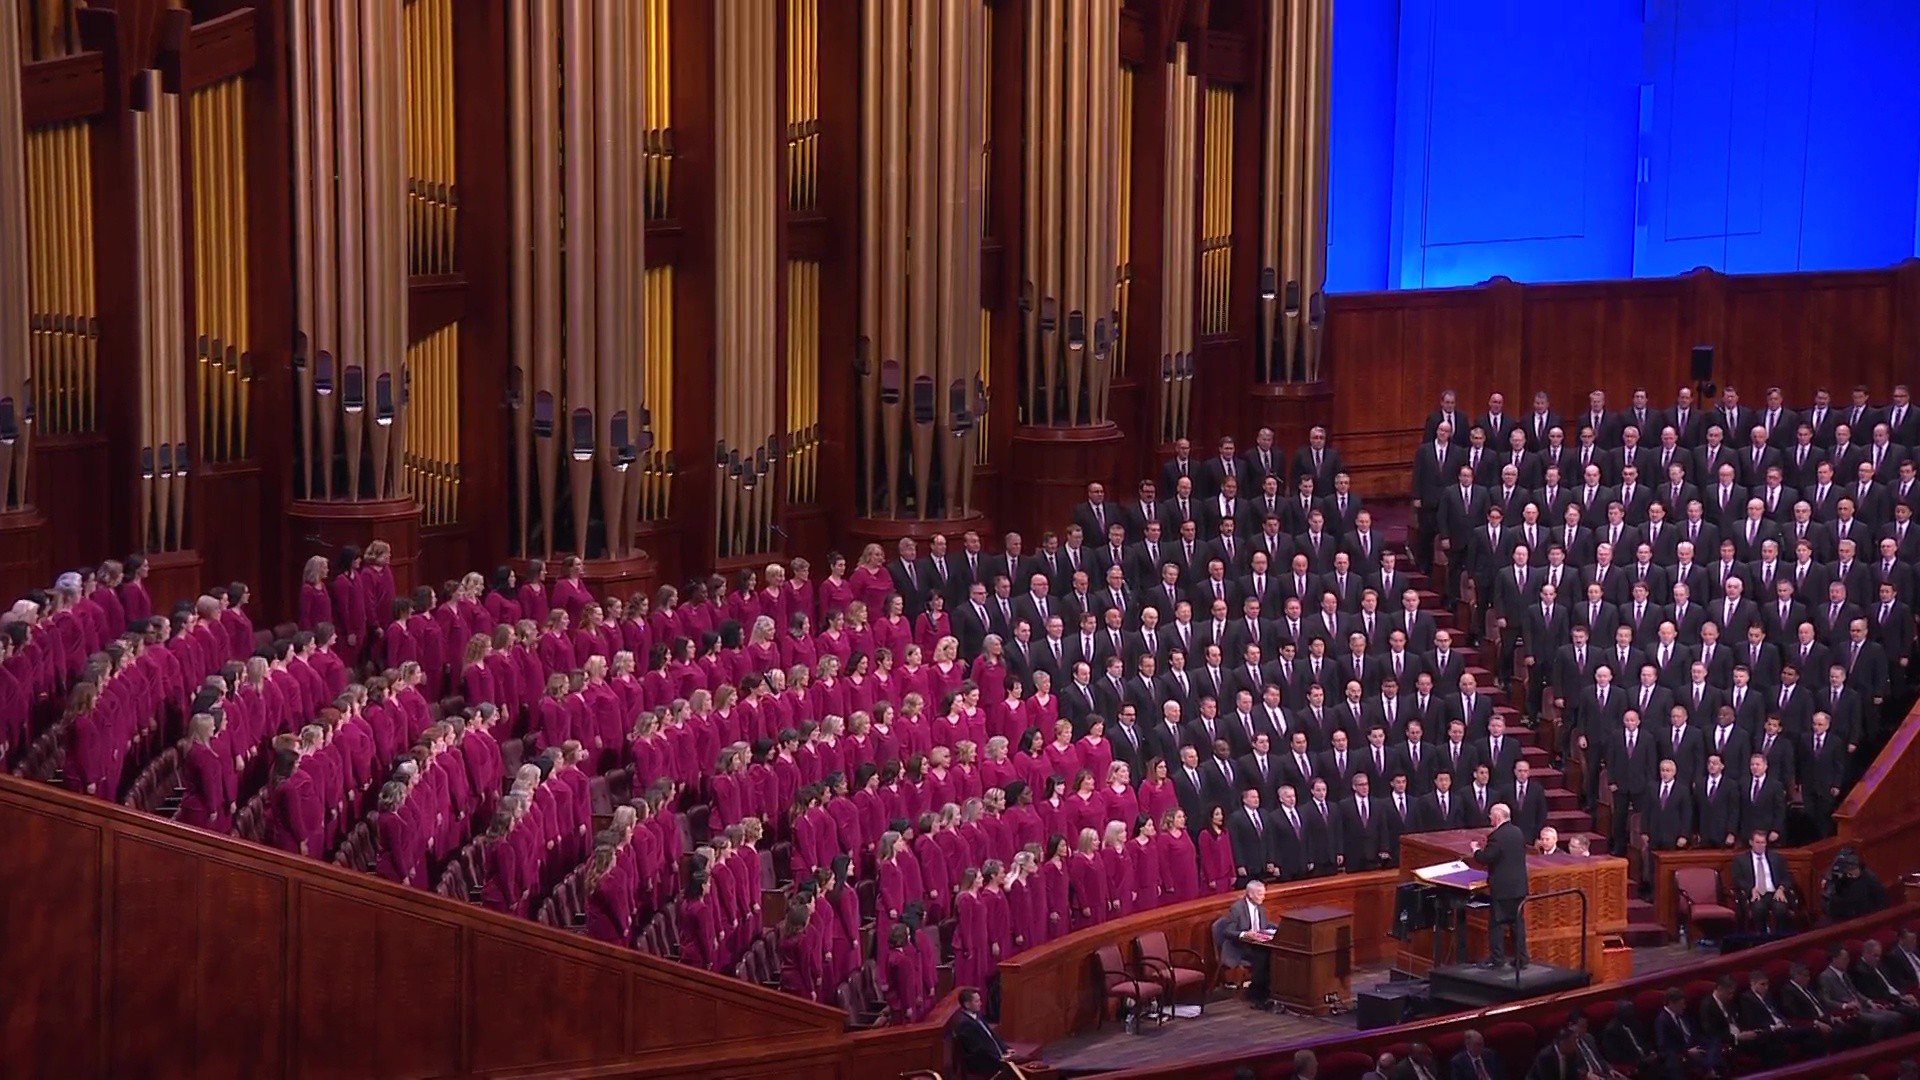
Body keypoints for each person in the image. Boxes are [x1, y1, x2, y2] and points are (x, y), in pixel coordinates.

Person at [1469, 803, 1528, 968]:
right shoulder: (1518, 832)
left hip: (1502, 889)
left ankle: (1497, 959)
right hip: (1519, 887)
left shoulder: (1497, 836)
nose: (1489, 818)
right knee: (1517, 925)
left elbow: (1486, 858)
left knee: (1496, 924)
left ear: (1497, 817)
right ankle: (1522, 958)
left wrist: (1476, 850)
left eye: (1491, 815)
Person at [950, 986, 1038, 1078]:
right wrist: (1000, 1057)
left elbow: (992, 1036)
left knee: (1030, 1063)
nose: (980, 1003)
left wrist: (1005, 1049)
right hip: (985, 1063)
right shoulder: (964, 1024)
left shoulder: (977, 1016)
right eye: (977, 1001)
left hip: (995, 1057)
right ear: (967, 1004)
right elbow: (978, 1049)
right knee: (1020, 1070)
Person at [1218, 879, 1276, 1003]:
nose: (1263, 897)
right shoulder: (1237, 908)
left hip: (1257, 945)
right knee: (1262, 956)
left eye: (1264, 894)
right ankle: (1257, 994)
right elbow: (1228, 931)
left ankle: (1266, 990)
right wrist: (1245, 934)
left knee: (1273, 954)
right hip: (1239, 947)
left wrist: (1280, 928)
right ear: (1250, 894)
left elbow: (1265, 925)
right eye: (1260, 894)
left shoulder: (1260, 908)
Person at [1730, 829, 1794, 932]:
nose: (1760, 845)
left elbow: (1787, 877)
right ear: (1751, 842)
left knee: (1781, 909)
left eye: (1763, 842)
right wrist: (1751, 889)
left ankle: (1780, 939)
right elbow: (1737, 880)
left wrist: (1781, 889)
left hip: (1774, 893)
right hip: (1755, 894)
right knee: (1758, 909)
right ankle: (1761, 938)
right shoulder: (1741, 860)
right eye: (1757, 842)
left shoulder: (1776, 858)